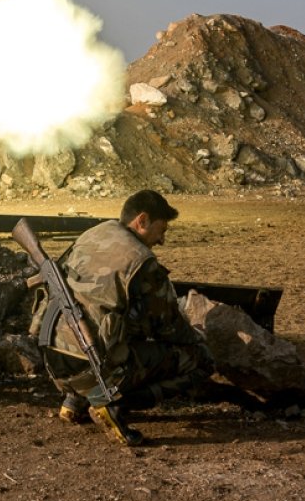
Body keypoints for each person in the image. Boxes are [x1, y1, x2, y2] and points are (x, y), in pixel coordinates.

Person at [35, 189, 214, 446]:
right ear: (142, 221)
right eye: (161, 230)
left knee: (106, 324)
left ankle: (73, 402)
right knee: (201, 359)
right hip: (94, 369)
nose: (162, 240)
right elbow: (170, 327)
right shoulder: (141, 261)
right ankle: (110, 402)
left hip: (54, 363)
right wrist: (198, 334)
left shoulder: (93, 234)